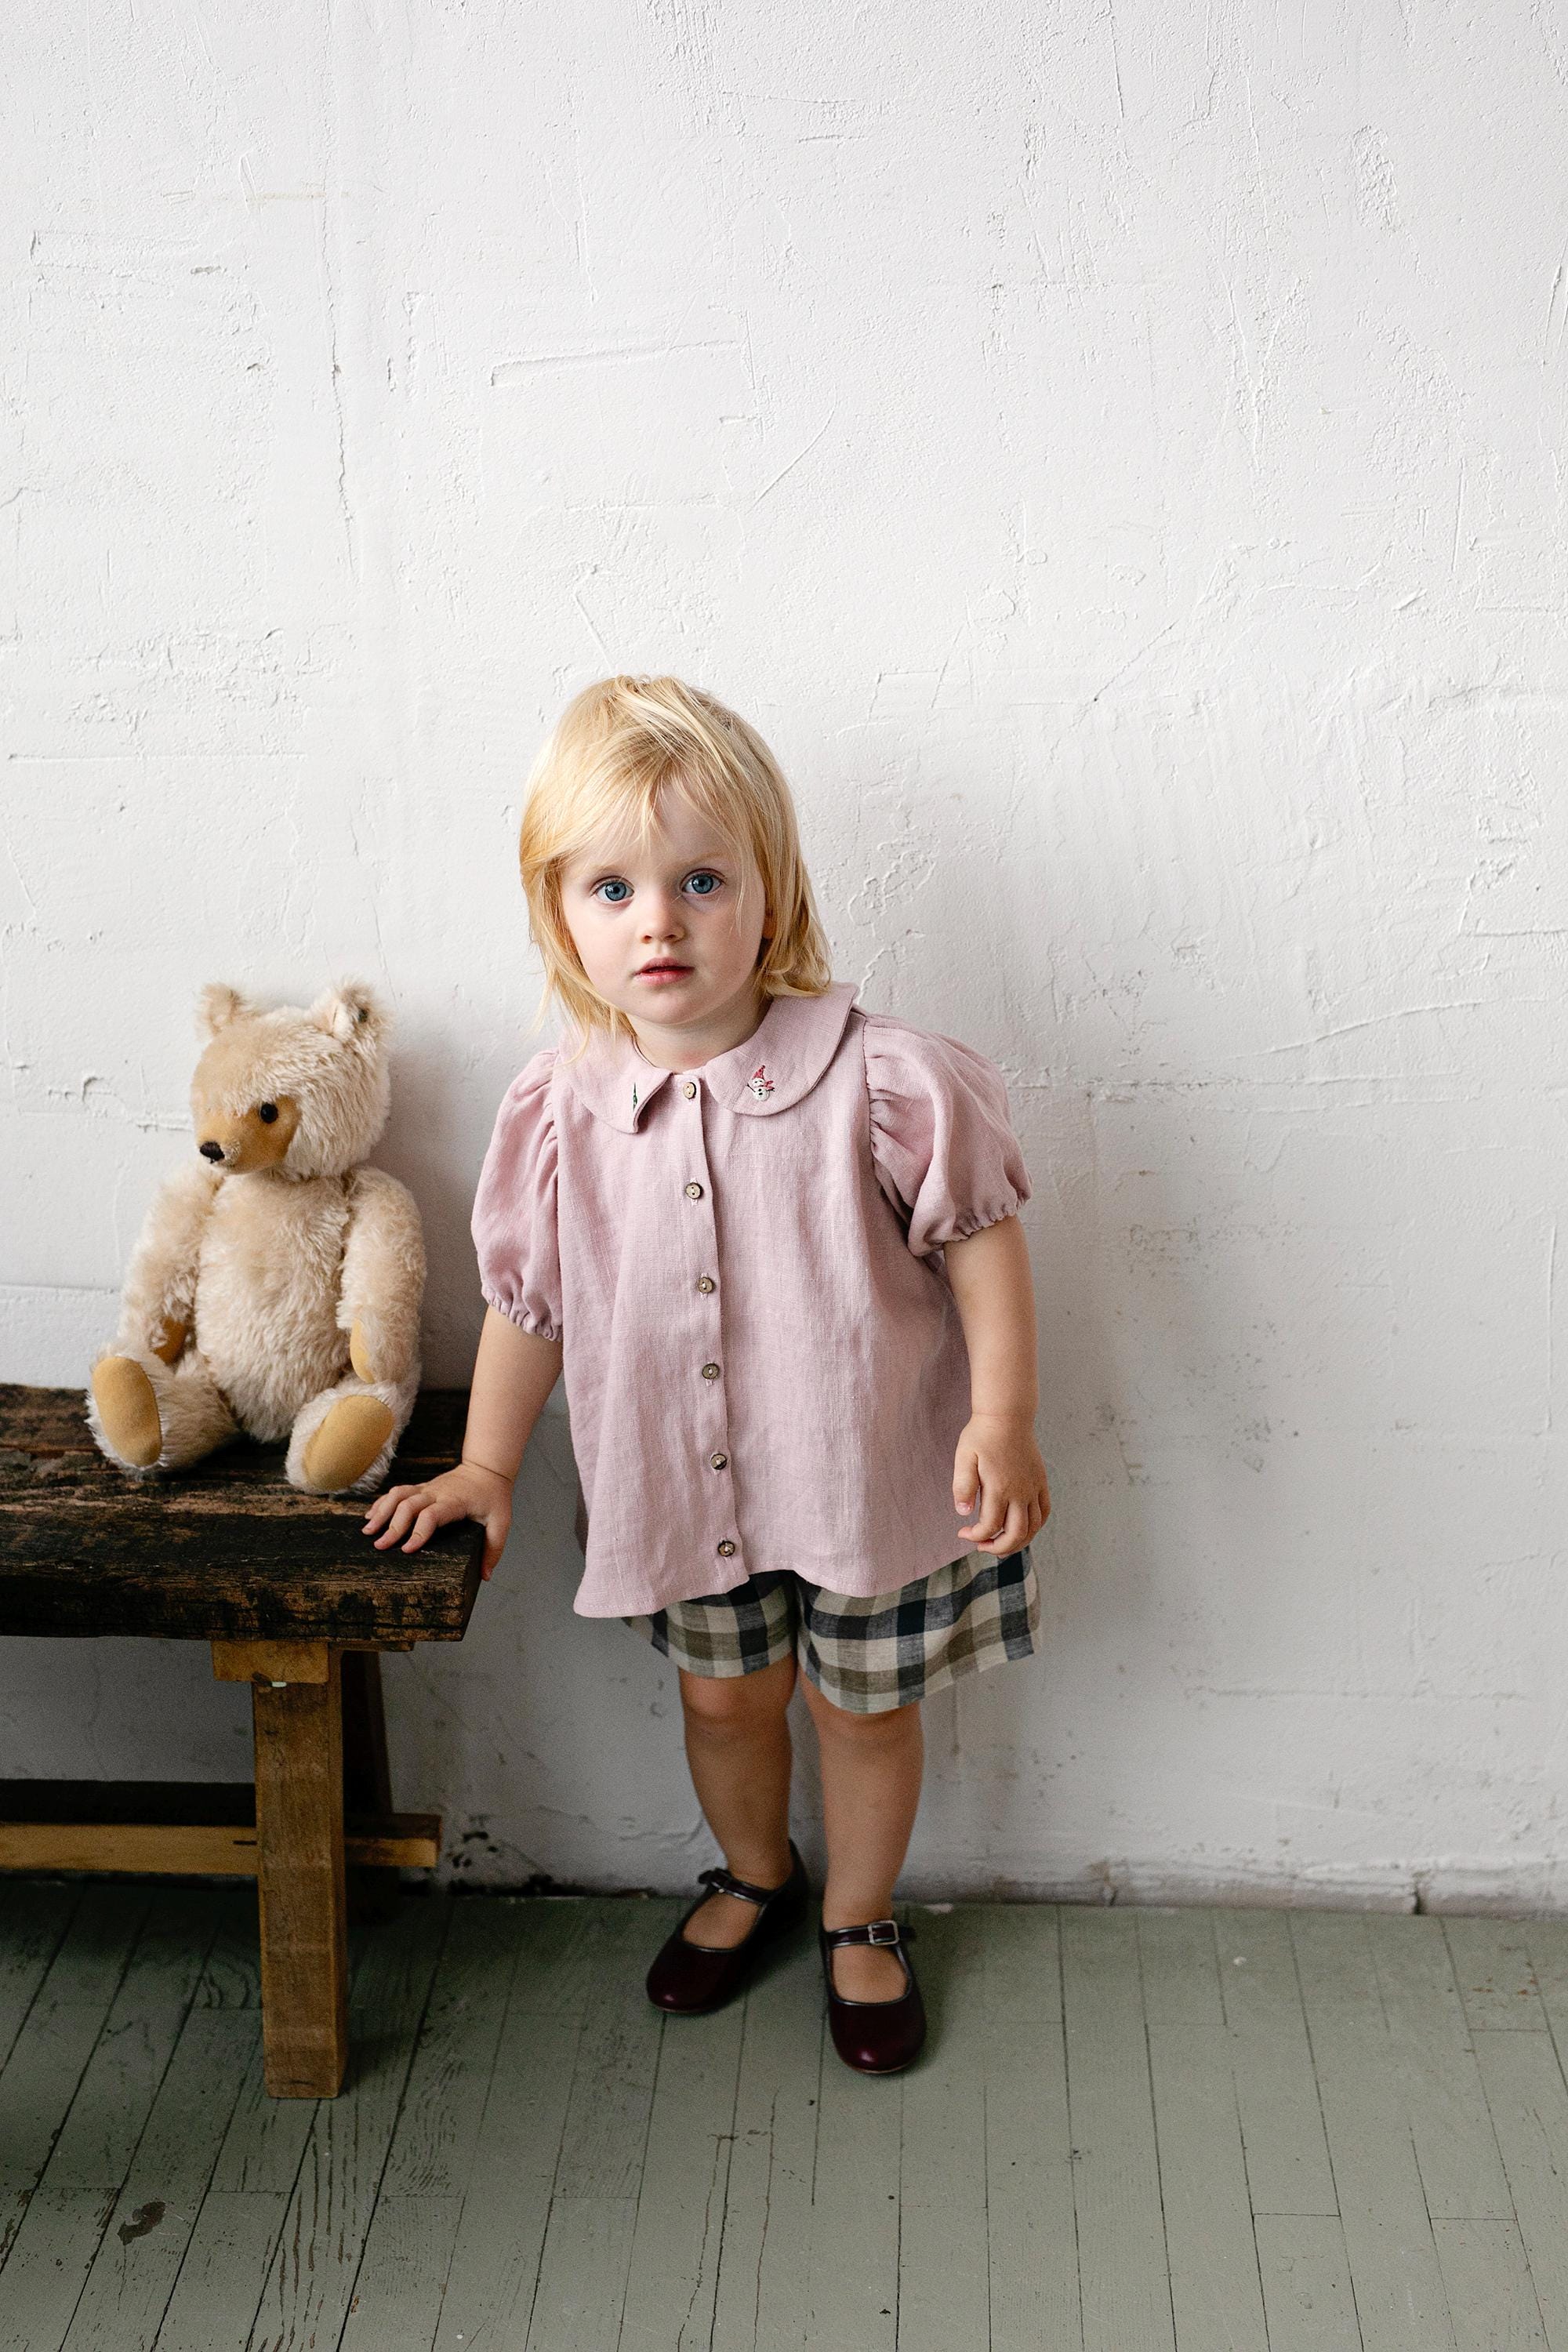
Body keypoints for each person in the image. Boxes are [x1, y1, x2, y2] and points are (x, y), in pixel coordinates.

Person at [362, 675, 1051, 2074]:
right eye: (610, 888)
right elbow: (528, 1301)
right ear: (559, 911)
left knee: (863, 1708)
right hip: (682, 1491)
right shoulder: (560, 1107)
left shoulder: (881, 1076)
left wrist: (1005, 1414)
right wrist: (488, 1462)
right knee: (725, 1698)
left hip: (868, 1482)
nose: (658, 922)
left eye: (697, 880)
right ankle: (755, 1876)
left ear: (769, 892)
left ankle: (861, 1916)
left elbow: (980, 1243)